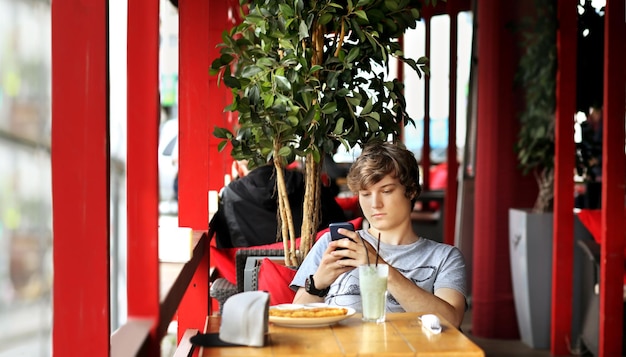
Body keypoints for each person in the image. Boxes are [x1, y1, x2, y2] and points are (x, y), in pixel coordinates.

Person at [289, 141, 467, 328]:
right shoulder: (333, 244)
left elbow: (451, 321)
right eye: (365, 194)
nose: (375, 204)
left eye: (386, 191)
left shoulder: (445, 257)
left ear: (412, 191)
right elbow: (296, 318)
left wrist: (378, 267)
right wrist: (318, 284)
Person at [211, 160, 347, 248]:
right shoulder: (308, 183)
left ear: (238, 167)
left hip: (251, 275)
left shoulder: (231, 195)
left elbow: (224, 245)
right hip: (314, 269)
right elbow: (338, 223)